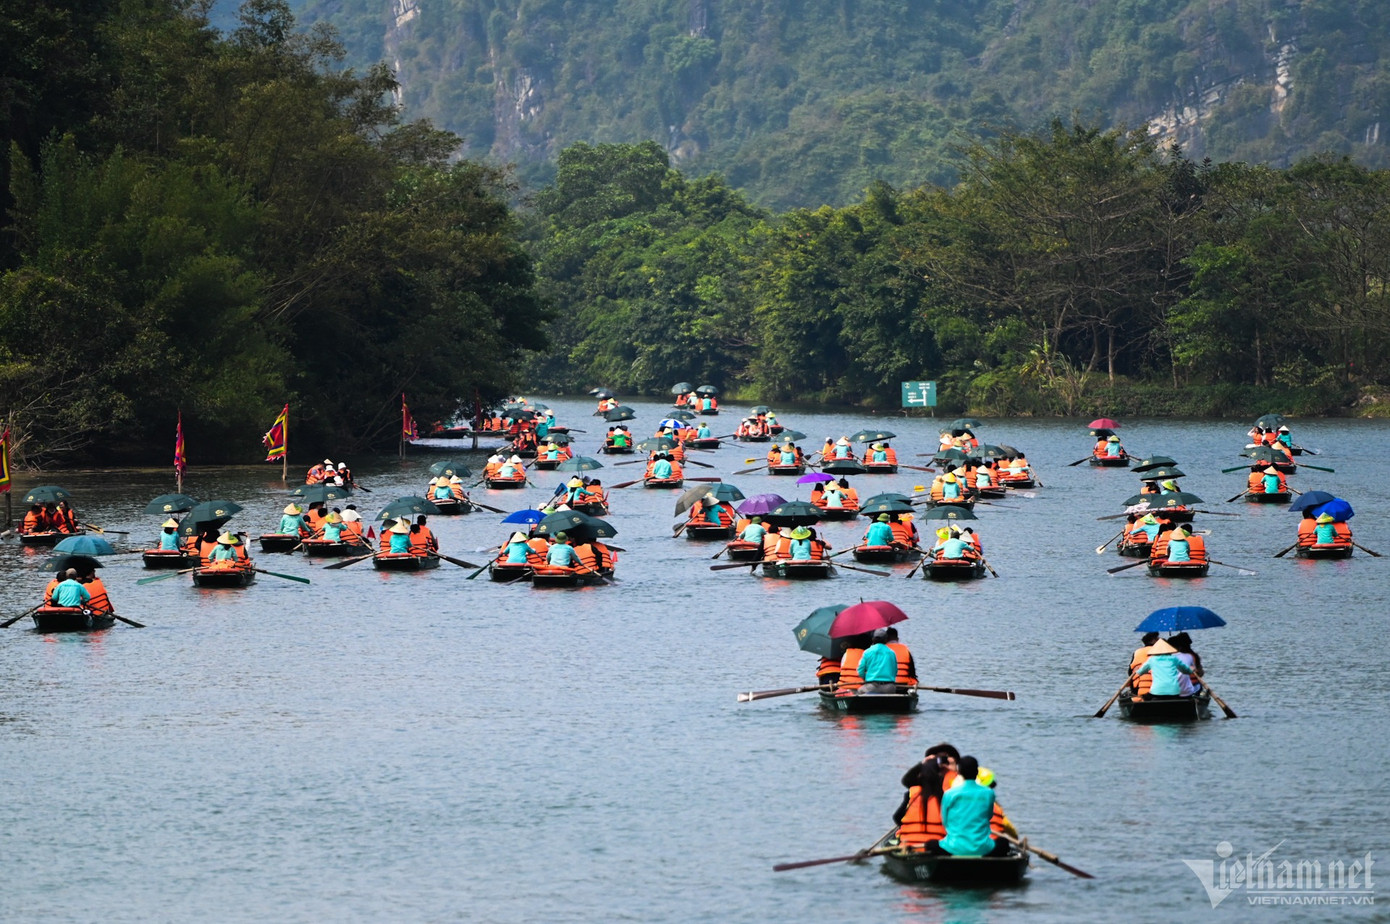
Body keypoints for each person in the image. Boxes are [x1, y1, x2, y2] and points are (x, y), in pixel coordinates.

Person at [938, 756, 1011, 857]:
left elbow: (945, 822)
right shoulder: (989, 793)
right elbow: (988, 816)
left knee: (931, 844)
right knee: (1003, 842)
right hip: (983, 847)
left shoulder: (949, 794)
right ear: (977, 773)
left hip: (954, 847)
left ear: (959, 773)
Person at [856, 629, 899, 694]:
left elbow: (860, 671)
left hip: (872, 687)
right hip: (889, 688)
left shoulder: (867, 652)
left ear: (873, 639)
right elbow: (895, 671)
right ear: (886, 640)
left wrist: (866, 679)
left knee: (860, 691)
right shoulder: (892, 653)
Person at [1129, 632, 1159, 697]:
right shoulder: (1160, 652)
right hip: (1157, 688)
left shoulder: (1137, 652)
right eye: (1157, 639)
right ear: (1152, 641)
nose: (1159, 641)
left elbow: (1130, 672)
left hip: (1136, 687)